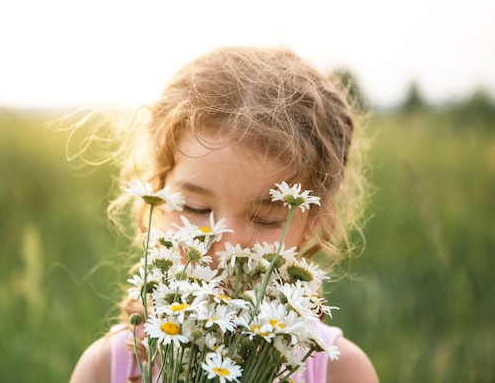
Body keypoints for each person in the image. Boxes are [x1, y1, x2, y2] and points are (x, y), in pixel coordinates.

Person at [69, 46, 378, 383]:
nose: (223, 244)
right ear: (156, 196)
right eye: (194, 208)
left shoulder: (338, 371)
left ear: (314, 224)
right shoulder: (108, 367)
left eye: (265, 218)